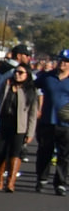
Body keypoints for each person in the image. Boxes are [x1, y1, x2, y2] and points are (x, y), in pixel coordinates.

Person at [0, 63, 42, 191]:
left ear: (27, 75)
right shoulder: (7, 85)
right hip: (3, 123)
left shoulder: (30, 90)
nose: (17, 75)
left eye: (21, 73)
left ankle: (11, 182)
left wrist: (30, 133)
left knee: (16, 153)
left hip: (19, 126)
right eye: (16, 72)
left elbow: (32, 113)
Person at [35, 50, 69, 196]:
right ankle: (41, 179)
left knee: (64, 155)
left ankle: (60, 183)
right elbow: (31, 86)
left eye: (66, 61)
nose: (63, 63)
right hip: (47, 121)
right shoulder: (47, 77)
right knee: (44, 152)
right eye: (61, 60)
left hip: (65, 125)